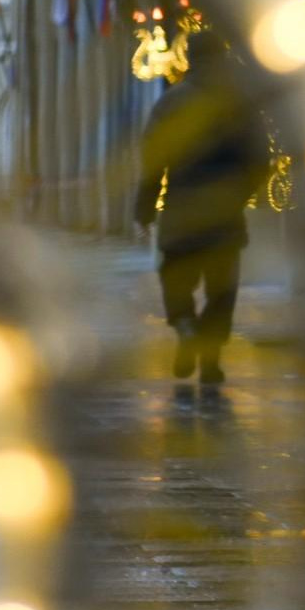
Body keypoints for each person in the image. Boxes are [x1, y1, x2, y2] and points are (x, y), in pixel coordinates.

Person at [131, 29, 262, 396]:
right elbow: (260, 160)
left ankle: (186, 326)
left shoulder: (170, 104)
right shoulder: (238, 107)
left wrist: (144, 209)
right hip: (225, 216)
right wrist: (241, 193)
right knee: (222, 291)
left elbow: (153, 161)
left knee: (175, 278)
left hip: (180, 215)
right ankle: (210, 361)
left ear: (189, 59)